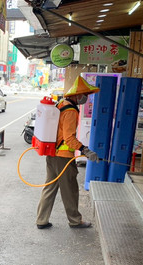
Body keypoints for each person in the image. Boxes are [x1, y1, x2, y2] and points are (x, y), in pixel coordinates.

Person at [36, 76, 100, 230]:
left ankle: (41, 220)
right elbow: (69, 138)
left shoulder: (61, 104)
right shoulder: (71, 111)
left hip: (52, 153)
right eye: (85, 95)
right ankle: (75, 221)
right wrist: (85, 150)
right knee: (70, 189)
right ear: (77, 95)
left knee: (50, 186)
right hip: (63, 158)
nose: (86, 98)